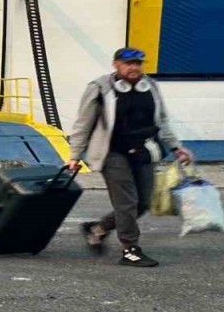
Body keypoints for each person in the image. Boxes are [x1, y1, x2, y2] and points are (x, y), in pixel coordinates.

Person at [67, 48, 192, 268]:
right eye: (128, 63)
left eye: (138, 63)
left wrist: (176, 147)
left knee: (142, 203)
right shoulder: (100, 88)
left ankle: (98, 229)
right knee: (126, 204)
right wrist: (74, 156)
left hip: (144, 151)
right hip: (113, 153)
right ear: (116, 65)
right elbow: (83, 123)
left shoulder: (150, 87)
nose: (134, 67)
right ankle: (130, 249)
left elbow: (162, 120)